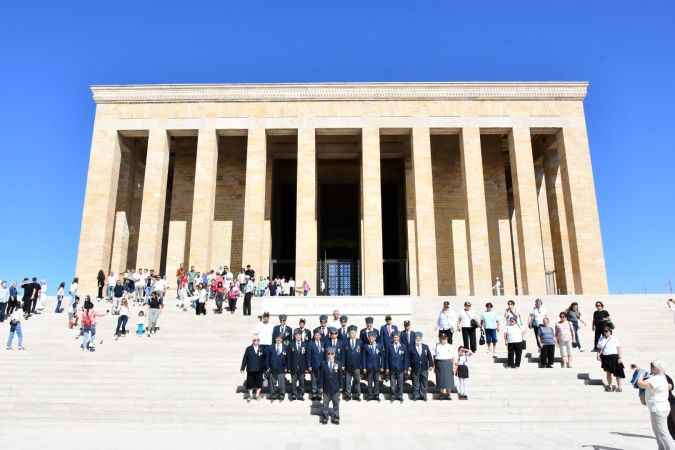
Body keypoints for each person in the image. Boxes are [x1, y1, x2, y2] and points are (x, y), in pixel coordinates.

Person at [637, 361, 675, 450]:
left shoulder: (657, 379)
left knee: (663, 433)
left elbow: (640, 384)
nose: (651, 369)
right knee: (657, 432)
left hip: (658, 410)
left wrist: (640, 375)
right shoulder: (662, 377)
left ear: (655, 368)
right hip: (659, 409)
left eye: (652, 367)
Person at [597, 327, 625, 392]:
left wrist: (620, 357)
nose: (605, 332)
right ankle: (609, 385)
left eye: (606, 331)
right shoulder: (601, 339)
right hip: (606, 357)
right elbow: (599, 348)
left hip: (614, 357)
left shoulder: (614, 338)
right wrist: (598, 355)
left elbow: (619, 348)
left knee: (618, 373)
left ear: (610, 331)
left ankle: (619, 387)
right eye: (604, 331)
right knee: (608, 373)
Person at [319, 347, 341, 424]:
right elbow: (321, 376)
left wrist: (341, 387)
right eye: (329, 354)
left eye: (332, 354)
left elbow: (340, 376)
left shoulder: (338, 363)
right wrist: (321, 387)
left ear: (334, 354)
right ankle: (325, 417)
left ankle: (336, 417)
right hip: (326, 388)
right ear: (327, 354)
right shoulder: (323, 363)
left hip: (335, 388)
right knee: (325, 404)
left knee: (336, 404)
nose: (330, 355)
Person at [409, 332, 434, 401]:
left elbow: (429, 356)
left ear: (421, 339)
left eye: (419, 338)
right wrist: (408, 366)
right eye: (416, 338)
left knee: (424, 382)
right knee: (415, 382)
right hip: (415, 368)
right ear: (414, 339)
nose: (418, 340)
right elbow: (408, 358)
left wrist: (431, 365)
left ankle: (423, 395)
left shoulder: (425, 346)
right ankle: (416, 395)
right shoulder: (411, 347)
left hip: (424, 368)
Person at [241, 335, 266, 401]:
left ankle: (257, 395)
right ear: (252, 341)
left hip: (259, 369)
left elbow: (264, 359)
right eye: (254, 340)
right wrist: (242, 368)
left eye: (257, 340)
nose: (256, 341)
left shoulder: (262, 348)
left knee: (259, 383)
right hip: (250, 369)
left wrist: (265, 368)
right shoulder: (248, 348)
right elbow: (245, 359)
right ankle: (250, 395)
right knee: (250, 383)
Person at [385, 331, 408, 402]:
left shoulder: (403, 346)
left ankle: (400, 395)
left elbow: (405, 359)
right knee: (392, 383)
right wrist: (387, 368)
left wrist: (405, 368)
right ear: (393, 338)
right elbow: (387, 358)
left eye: (397, 337)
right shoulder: (389, 346)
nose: (396, 339)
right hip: (392, 368)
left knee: (400, 383)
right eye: (394, 337)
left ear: (399, 338)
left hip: (400, 369)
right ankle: (393, 395)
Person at [433, 333, 456, 399]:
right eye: (442, 338)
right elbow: (434, 356)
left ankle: (448, 394)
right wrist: (434, 366)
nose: (443, 340)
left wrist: (454, 367)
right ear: (439, 338)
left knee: (448, 380)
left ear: (447, 338)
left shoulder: (450, 346)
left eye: (444, 339)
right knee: (440, 380)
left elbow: (453, 357)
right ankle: (442, 393)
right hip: (439, 363)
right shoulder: (437, 346)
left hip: (448, 363)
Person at [362, 332, 384, 401]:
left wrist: (382, 366)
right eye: (370, 337)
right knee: (370, 381)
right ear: (368, 338)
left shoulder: (379, 346)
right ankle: (370, 395)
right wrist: (364, 367)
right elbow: (364, 358)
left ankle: (376, 395)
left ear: (375, 338)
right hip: (369, 367)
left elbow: (382, 357)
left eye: (373, 337)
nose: (371, 339)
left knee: (377, 381)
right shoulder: (366, 346)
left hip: (377, 367)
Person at [343, 326, 363, 401]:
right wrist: (343, 364)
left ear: (356, 333)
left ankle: (357, 395)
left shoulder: (360, 342)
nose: (352, 334)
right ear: (348, 333)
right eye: (351, 333)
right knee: (348, 381)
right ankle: (348, 395)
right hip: (348, 366)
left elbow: (362, 355)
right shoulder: (345, 342)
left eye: (354, 333)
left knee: (357, 381)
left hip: (357, 366)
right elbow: (343, 354)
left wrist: (361, 365)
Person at [287, 330, 308, 401]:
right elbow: (289, 357)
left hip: (302, 366)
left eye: (299, 335)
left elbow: (306, 357)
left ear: (301, 336)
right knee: (294, 381)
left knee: (302, 381)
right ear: (294, 336)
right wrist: (289, 367)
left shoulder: (304, 344)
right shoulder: (291, 344)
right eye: (296, 335)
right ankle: (294, 394)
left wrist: (306, 367)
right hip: (293, 366)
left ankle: (301, 394)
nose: (298, 336)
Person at [267, 334, 288, 400]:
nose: (278, 340)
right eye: (277, 338)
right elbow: (267, 358)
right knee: (272, 382)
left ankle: (282, 394)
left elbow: (288, 358)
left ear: (282, 340)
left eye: (280, 338)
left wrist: (286, 367)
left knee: (281, 382)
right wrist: (268, 367)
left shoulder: (285, 347)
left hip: (282, 367)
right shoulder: (271, 347)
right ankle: (273, 394)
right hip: (272, 367)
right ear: (275, 339)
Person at [307, 330, 326, 400]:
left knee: (320, 380)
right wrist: (309, 365)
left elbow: (325, 356)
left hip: (321, 366)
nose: (317, 336)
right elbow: (308, 356)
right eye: (316, 335)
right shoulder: (310, 344)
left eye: (319, 335)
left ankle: (319, 393)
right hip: (313, 366)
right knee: (314, 380)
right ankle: (314, 393)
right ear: (314, 336)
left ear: (320, 336)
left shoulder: (323, 343)